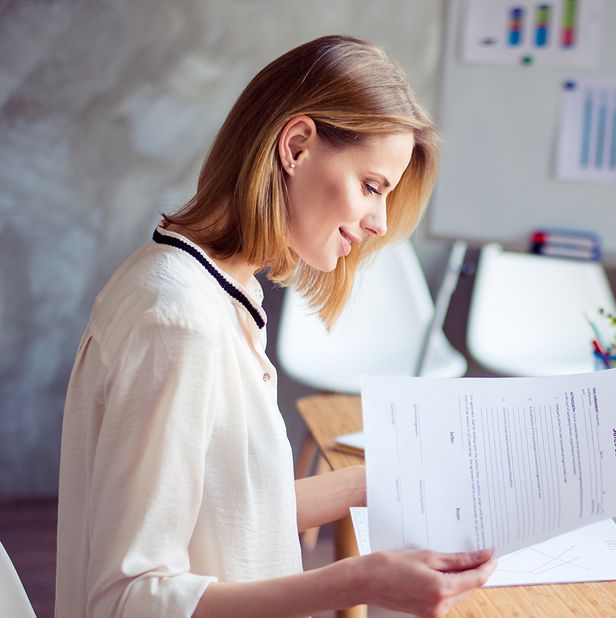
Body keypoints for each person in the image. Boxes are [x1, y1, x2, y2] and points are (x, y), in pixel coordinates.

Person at [55, 35, 496, 617]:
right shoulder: (178, 321)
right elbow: (128, 598)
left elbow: (231, 510)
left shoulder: (211, 292)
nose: (380, 222)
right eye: (371, 186)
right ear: (296, 146)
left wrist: (376, 483)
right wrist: (356, 582)